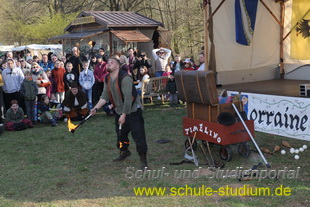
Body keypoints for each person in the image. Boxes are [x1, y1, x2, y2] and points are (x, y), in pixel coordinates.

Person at [90, 58, 148, 170]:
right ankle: (125, 152)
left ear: (117, 66)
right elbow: (105, 96)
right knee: (121, 135)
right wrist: (96, 108)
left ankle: (143, 159)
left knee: (138, 136)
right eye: (108, 63)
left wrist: (124, 115)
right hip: (120, 111)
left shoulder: (125, 78)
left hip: (132, 111)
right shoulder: (107, 78)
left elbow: (128, 98)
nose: (108, 64)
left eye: (111, 63)